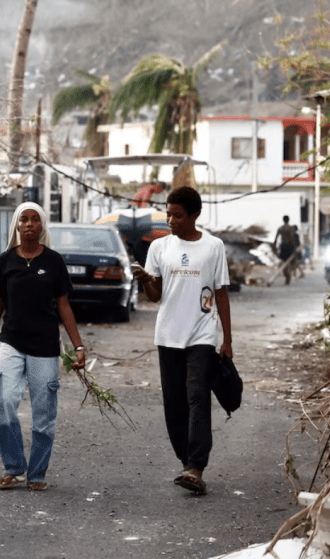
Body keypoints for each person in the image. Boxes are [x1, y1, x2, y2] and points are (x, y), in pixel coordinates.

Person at [131, 186, 232, 495]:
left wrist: (227, 338)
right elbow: (156, 296)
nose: (171, 220)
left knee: (198, 397)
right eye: (168, 214)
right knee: (174, 405)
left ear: (193, 215)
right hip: (168, 335)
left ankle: (196, 466)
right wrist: (146, 281)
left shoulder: (214, 247)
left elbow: (221, 292)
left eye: (177, 215)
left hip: (201, 335)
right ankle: (186, 461)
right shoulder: (159, 248)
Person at [0, 201, 86, 492]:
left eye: (35, 220)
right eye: (24, 220)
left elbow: (64, 306)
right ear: (17, 225)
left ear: (42, 226)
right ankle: (13, 467)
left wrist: (78, 346)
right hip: (12, 343)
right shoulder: (6, 261)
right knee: (5, 406)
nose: (29, 224)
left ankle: (37, 473)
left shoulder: (54, 262)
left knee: (44, 414)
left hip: (44, 348)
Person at [274, 215, 299, 284]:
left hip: (283, 246)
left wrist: (275, 248)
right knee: (290, 261)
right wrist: (295, 247)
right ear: (288, 220)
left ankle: (287, 274)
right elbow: (292, 238)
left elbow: (275, 239)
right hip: (289, 246)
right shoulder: (291, 228)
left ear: (283, 220)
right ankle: (288, 274)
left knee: (284, 261)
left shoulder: (280, 228)